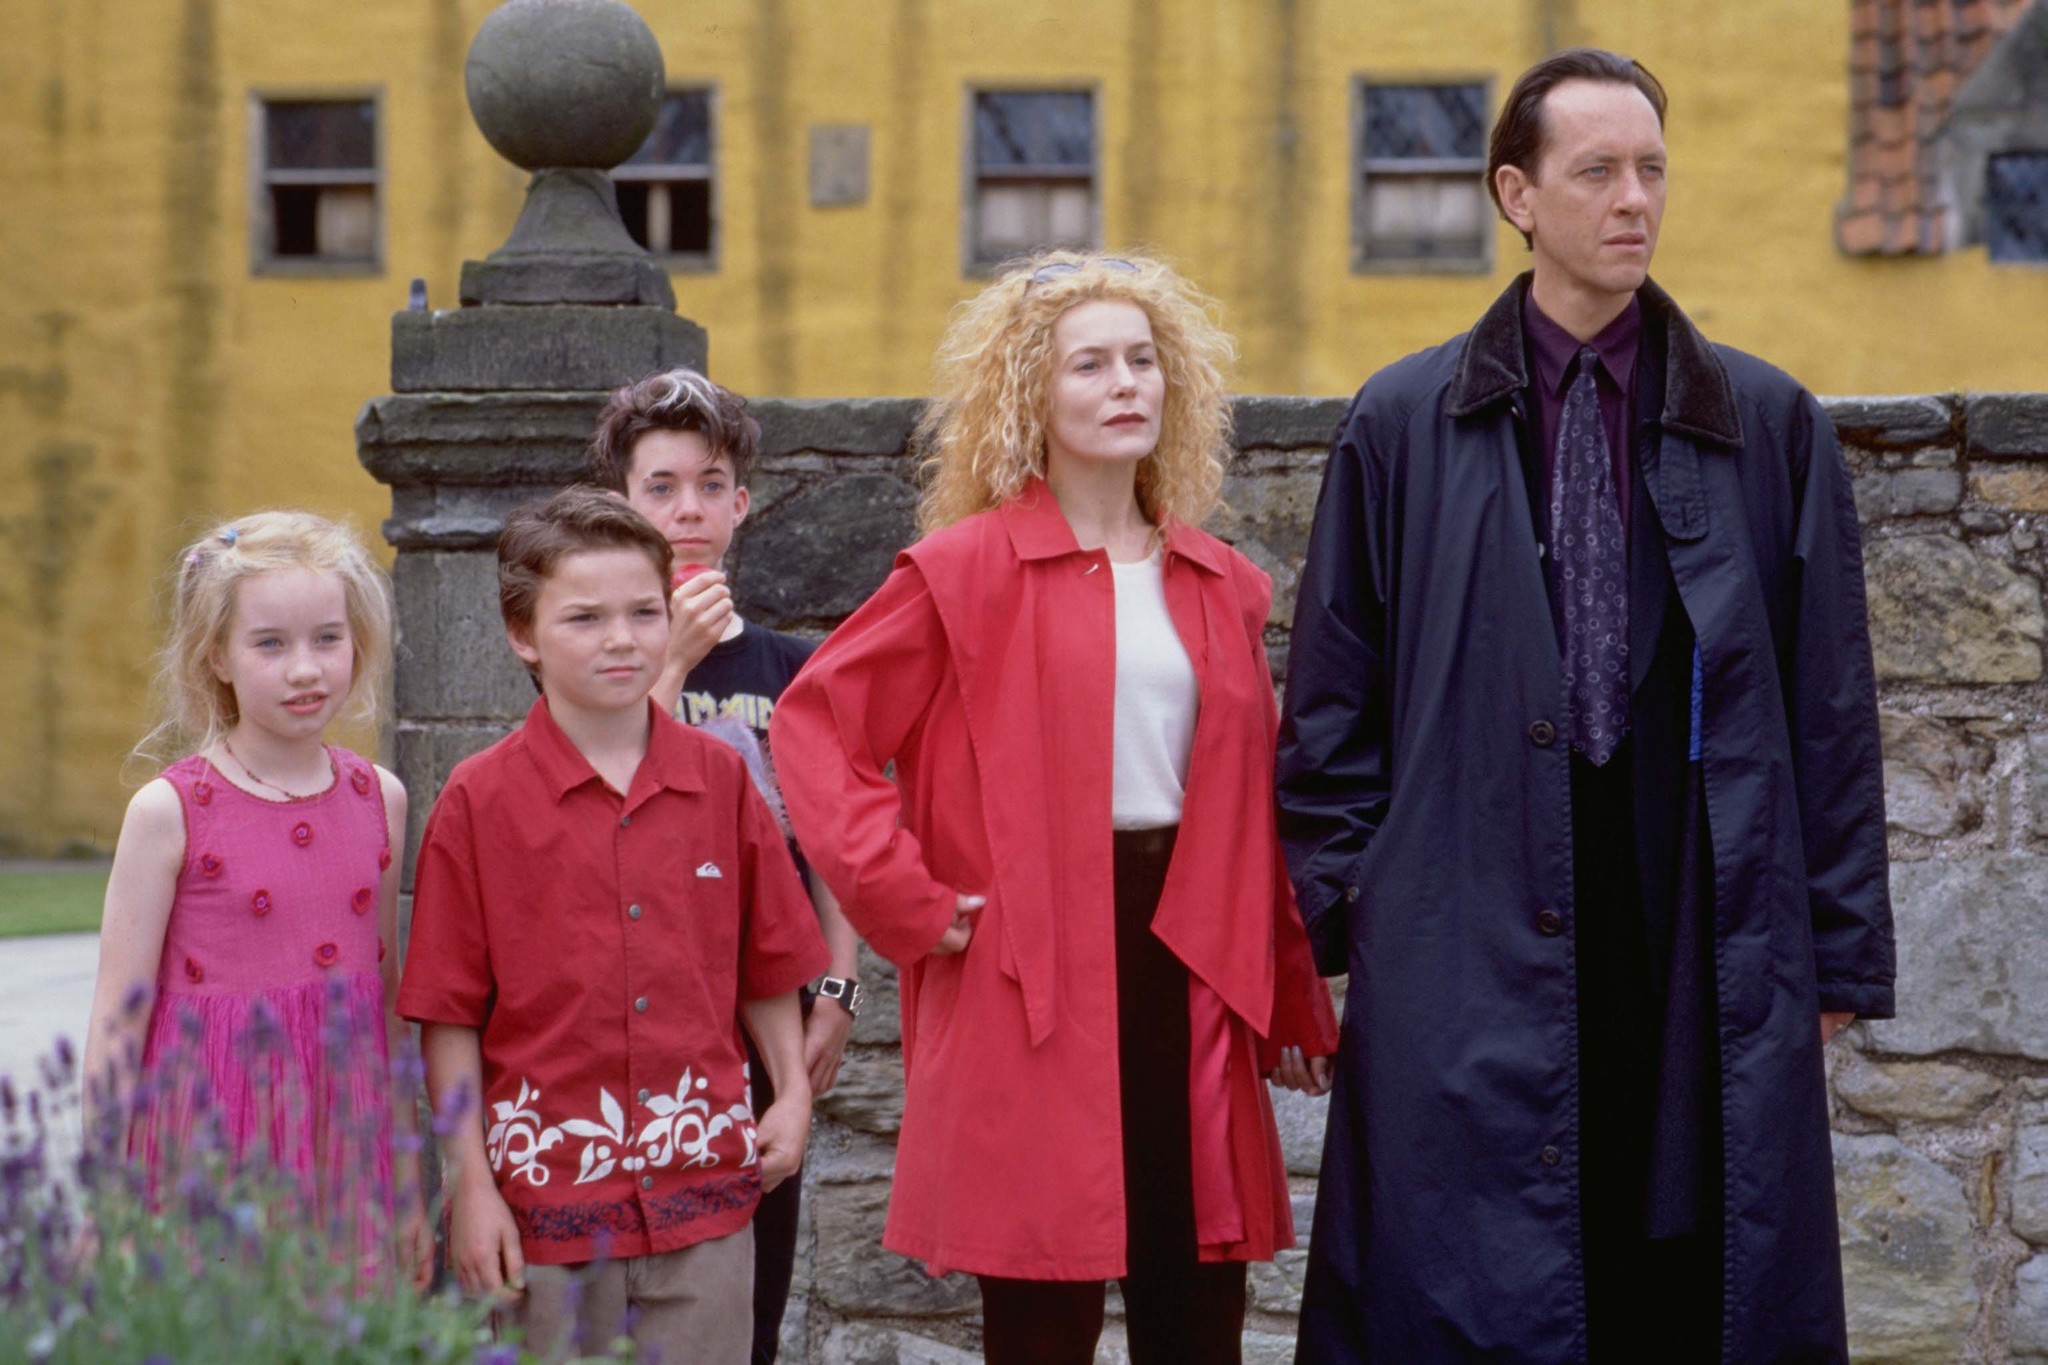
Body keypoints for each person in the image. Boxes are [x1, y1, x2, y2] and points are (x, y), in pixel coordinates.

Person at [1277, 49, 1894, 1363]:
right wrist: (1344, 919)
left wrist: (1834, 955)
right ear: (1518, 192)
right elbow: (1332, 707)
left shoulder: (1769, 424)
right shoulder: (1400, 423)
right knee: (1468, 1270)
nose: (1634, 200)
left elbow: (1829, 715)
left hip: (1697, 903)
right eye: (1597, 171)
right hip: (1465, 916)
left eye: (1652, 170)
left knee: (1691, 1264)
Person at [770, 250, 1340, 1364]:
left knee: (1199, 1301)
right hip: (1026, 958)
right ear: (1030, 392)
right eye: (1089, 364)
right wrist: (904, 898)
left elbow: (1247, 802)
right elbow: (816, 728)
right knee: (1040, 1313)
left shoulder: (1221, 581)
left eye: (1142, 360)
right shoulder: (961, 571)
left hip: (1192, 954)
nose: (1124, 382)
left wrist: (1288, 988)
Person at [398, 487, 828, 1363]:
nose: (623, 638)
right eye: (586, 618)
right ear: (523, 635)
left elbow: (767, 963)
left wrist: (791, 1092)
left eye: (644, 611)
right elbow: (447, 1015)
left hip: (709, 1196)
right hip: (544, 1210)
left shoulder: (724, 781)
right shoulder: (477, 803)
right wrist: (469, 1187)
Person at [585, 366, 863, 1364]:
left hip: (764, 1014)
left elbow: (833, 843)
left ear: (741, 505)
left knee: (750, 1286)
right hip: (628, 1011)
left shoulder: (793, 668)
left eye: (708, 485)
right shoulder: (592, 659)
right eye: (660, 487)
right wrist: (666, 663)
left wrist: (836, 986)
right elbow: (590, 810)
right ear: (621, 503)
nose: (687, 510)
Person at [81, 511, 429, 1284]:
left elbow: (389, 1011)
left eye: (327, 638)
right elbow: (116, 1025)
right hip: (206, 1147)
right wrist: (110, 1199)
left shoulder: (384, 800)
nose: (305, 668)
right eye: (270, 643)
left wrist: (406, 1187)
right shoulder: (169, 811)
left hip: (346, 1148)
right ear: (218, 657)